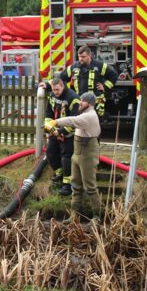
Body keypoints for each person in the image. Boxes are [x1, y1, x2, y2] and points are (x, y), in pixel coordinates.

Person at [46, 92, 101, 220]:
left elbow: (72, 121)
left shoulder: (90, 116)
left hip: (87, 155)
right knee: (75, 186)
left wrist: (55, 122)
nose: (79, 103)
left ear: (89, 103)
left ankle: (97, 217)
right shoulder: (84, 115)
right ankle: (75, 216)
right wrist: (58, 131)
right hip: (77, 154)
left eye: (82, 101)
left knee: (90, 187)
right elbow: (74, 125)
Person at [43, 77, 80, 196]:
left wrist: (62, 132)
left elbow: (75, 120)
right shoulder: (52, 96)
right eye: (53, 89)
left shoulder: (73, 98)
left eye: (57, 90)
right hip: (55, 131)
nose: (55, 92)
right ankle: (60, 175)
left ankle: (67, 185)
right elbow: (49, 113)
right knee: (50, 153)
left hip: (69, 133)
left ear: (63, 86)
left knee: (66, 158)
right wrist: (51, 128)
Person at [59, 46, 117, 118]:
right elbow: (61, 78)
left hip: (95, 101)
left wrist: (105, 86)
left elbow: (113, 75)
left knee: (94, 122)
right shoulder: (75, 66)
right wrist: (66, 91)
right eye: (79, 57)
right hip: (80, 101)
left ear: (89, 56)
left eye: (83, 57)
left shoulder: (99, 65)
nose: (80, 59)